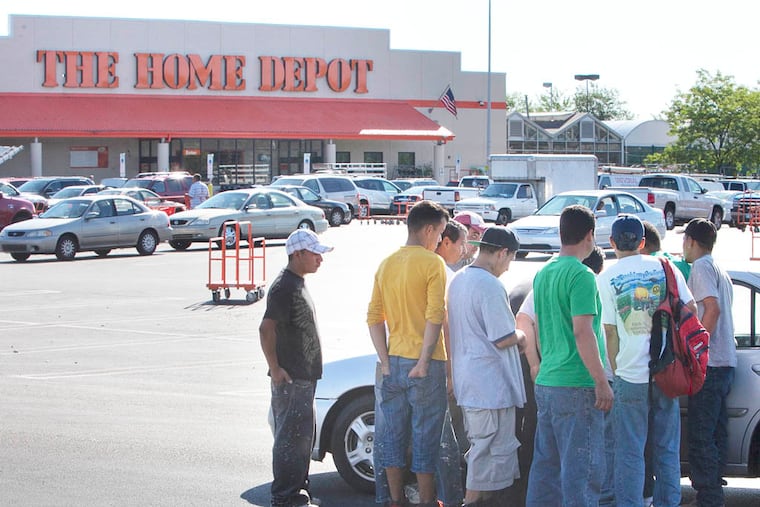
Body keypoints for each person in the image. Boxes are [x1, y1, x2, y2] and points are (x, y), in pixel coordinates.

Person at [597, 215, 695, 507]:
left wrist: (617, 371)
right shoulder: (666, 268)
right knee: (667, 448)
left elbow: (610, 333)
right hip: (668, 371)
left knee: (629, 451)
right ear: (642, 242)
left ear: (612, 243)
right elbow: (690, 310)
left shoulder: (606, 278)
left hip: (630, 374)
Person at [373, 218, 467, 507]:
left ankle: (395, 500)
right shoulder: (432, 263)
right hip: (426, 363)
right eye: (439, 233)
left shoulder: (387, 263)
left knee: (393, 436)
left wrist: (385, 361)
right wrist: (425, 360)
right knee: (427, 438)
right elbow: (435, 314)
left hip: (395, 360)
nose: (440, 240)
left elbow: (374, 316)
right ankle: (428, 501)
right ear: (428, 229)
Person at [525, 205, 613, 507]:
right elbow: (582, 331)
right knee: (583, 474)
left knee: (545, 472)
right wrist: (601, 380)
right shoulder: (583, 275)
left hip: (548, 382)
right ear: (590, 235)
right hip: (577, 383)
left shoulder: (543, 273)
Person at [447, 226, 526, 506]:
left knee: (483, 452)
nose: (507, 268)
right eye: (510, 259)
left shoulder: (459, 279)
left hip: (470, 380)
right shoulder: (490, 285)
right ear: (502, 253)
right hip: (490, 387)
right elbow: (503, 338)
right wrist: (523, 336)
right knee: (488, 457)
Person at [259, 229, 333, 507]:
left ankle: (296, 492)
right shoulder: (284, 287)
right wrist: (275, 368)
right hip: (291, 378)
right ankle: (285, 497)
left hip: (303, 377)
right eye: (315, 254)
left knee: (302, 439)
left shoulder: (296, 281)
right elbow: (266, 328)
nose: (320, 260)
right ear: (298, 254)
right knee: (291, 440)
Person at [683, 218, 736, 507]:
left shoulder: (701, 266)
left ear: (691, 241)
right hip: (726, 361)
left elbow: (711, 309)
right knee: (716, 431)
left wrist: (696, 349)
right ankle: (713, 494)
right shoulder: (719, 268)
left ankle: (709, 498)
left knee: (701, 434)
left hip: (710, 362)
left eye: (684, 241)